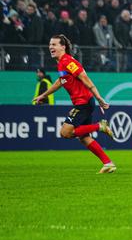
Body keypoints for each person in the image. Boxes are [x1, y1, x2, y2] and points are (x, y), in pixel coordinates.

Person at [32, 35, 117, 174]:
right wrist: (44, 95)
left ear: (63, 47)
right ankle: (108, 163)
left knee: (65, 132)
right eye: (50, 44)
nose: (51, 47)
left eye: (54, 44)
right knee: (84, 138)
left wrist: (99, 97)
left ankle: (100, 126)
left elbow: (84, 77)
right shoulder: (61, 63)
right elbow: (61, 81)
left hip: (83, 103)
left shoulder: (67, 61)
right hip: (84, 102)